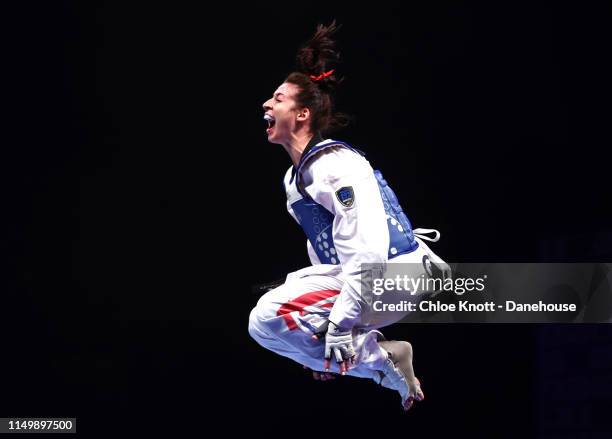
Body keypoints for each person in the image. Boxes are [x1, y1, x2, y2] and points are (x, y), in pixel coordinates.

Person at [248, 21, 448, 411]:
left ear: (302, 112)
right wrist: (322, 342)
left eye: (278, 98)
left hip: (398, 270)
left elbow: (367, 246)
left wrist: (339, 325)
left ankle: (378, 359)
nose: (266, 104)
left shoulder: (334, 164)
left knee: (269, 313)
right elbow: (330, 254)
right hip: (372, 277)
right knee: (267, 327)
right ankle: (372, 361)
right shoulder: (295, 179)